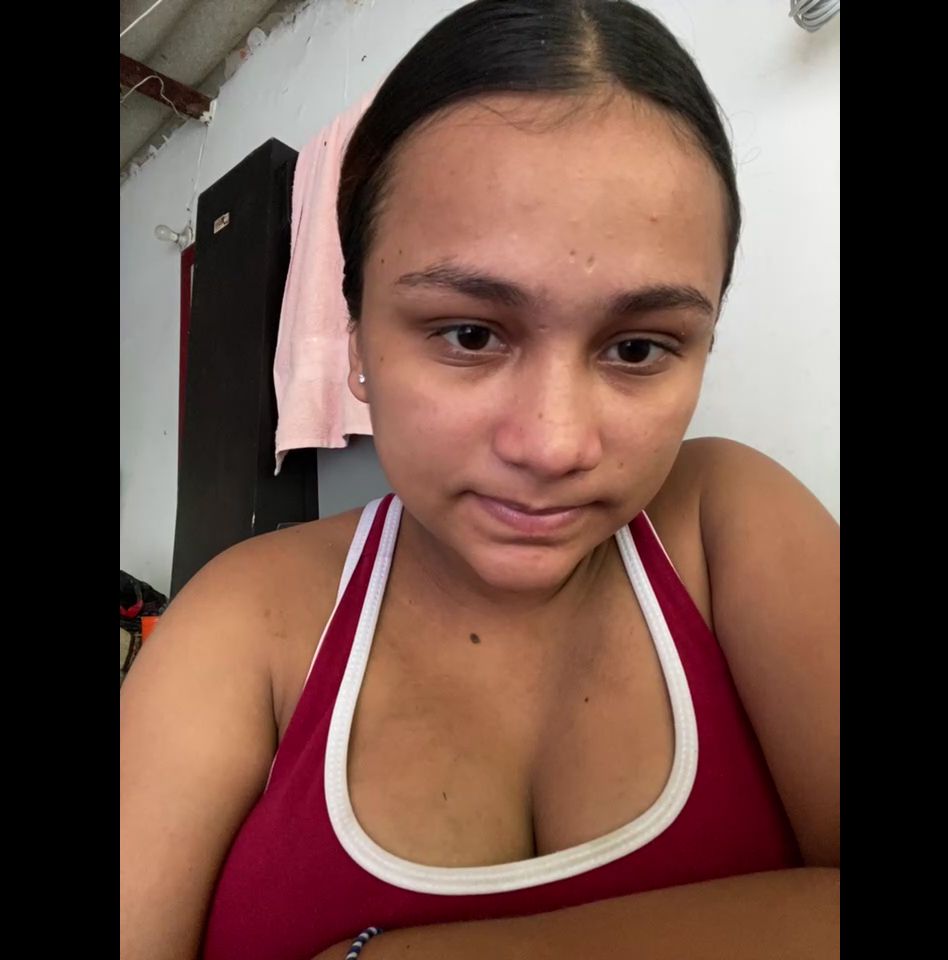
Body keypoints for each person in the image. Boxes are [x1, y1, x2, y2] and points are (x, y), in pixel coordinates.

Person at [120, 2, 839, 958]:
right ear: (357, 340)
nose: (552, 444)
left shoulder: (732, 525)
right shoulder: (241, 623)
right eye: (469, 333)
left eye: (636, 347)